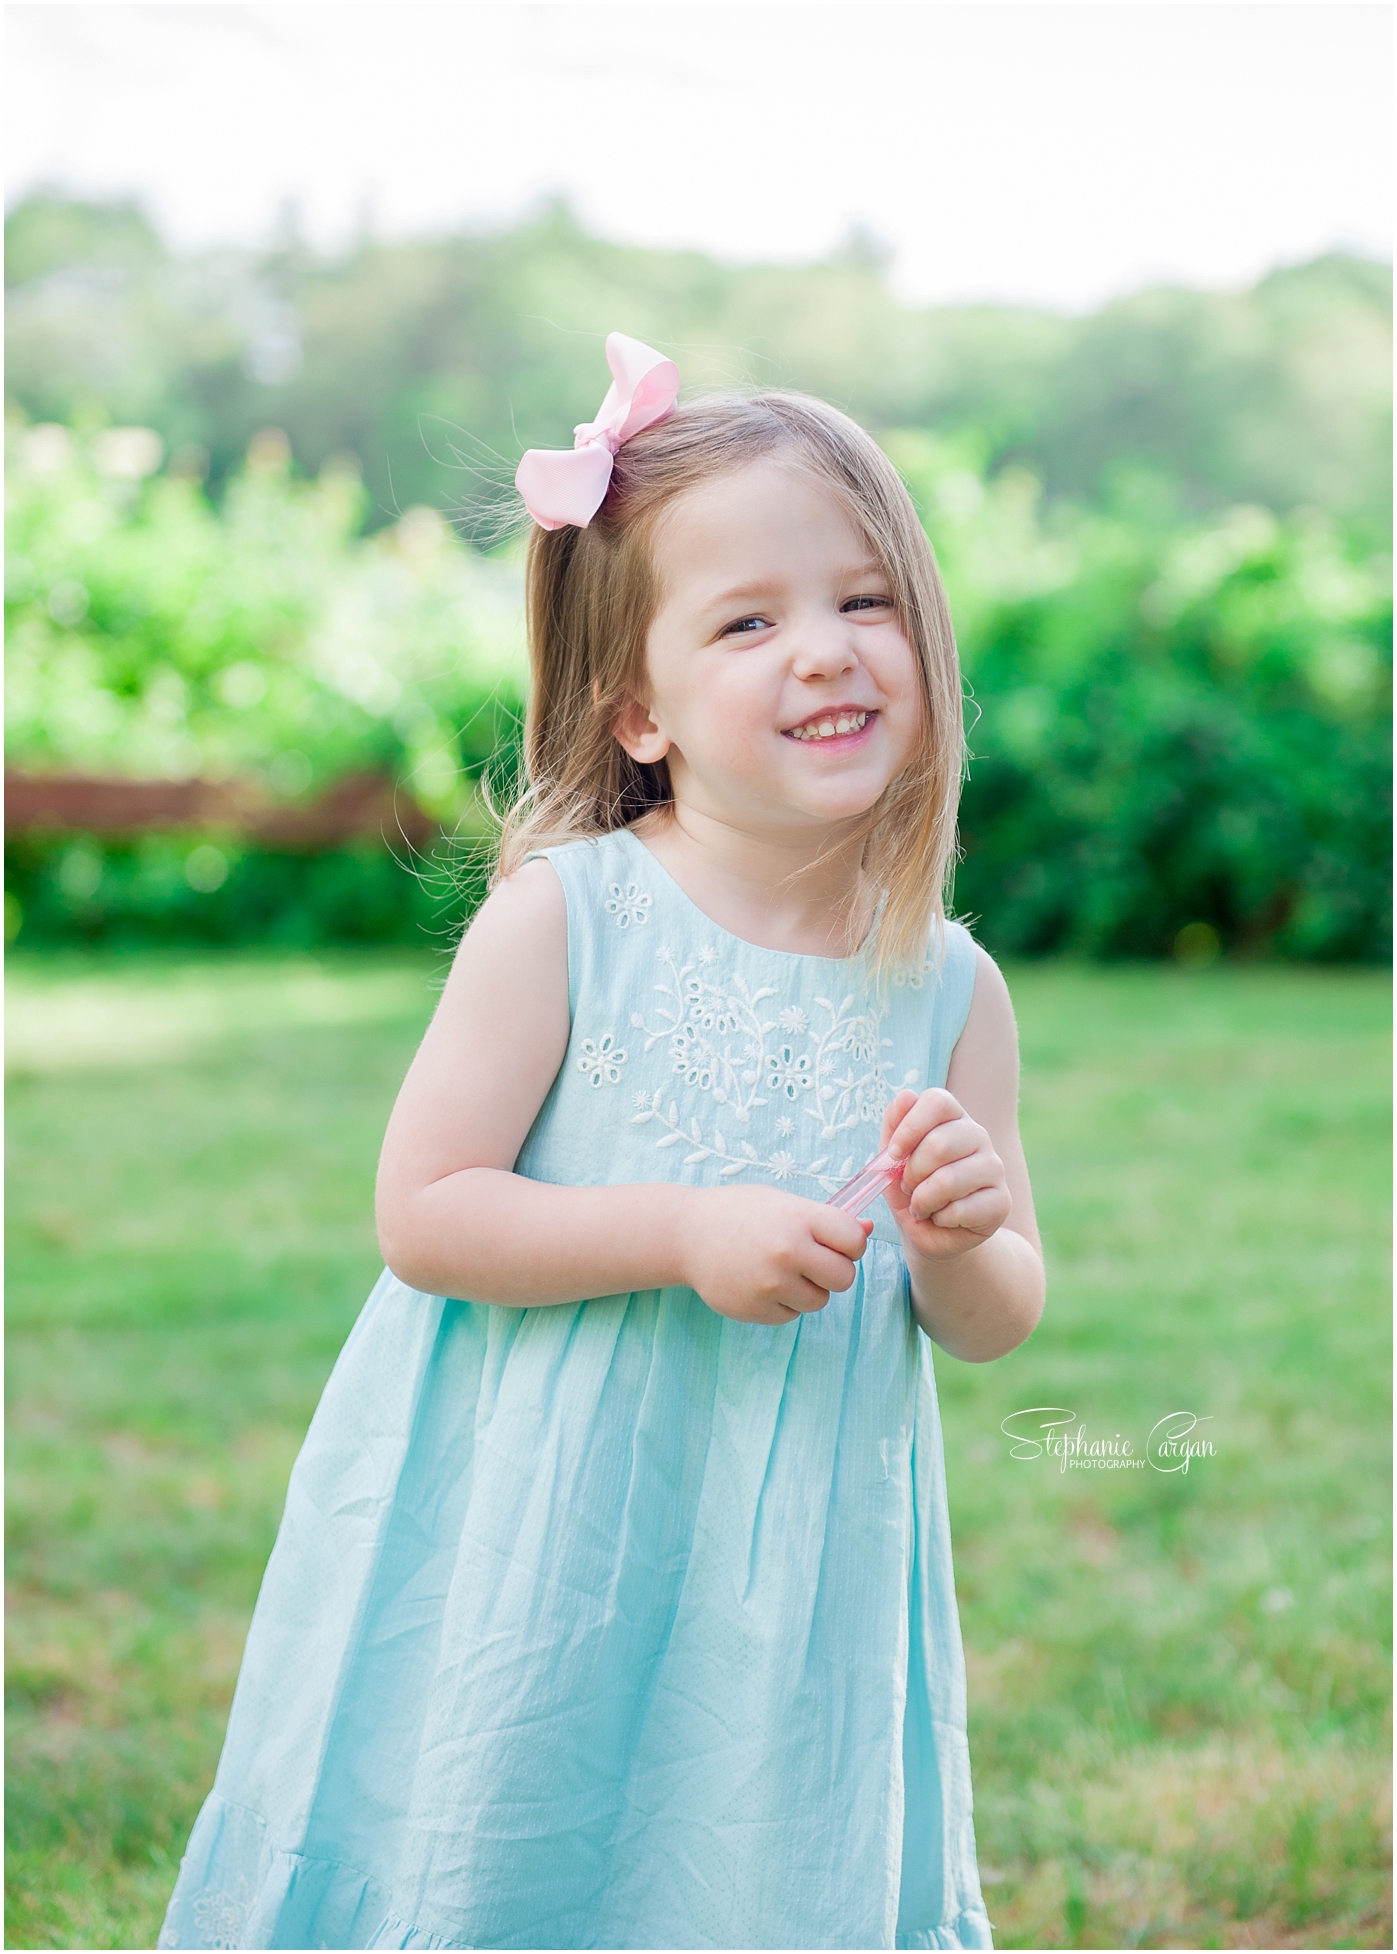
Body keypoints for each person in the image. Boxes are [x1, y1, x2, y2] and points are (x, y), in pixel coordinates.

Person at [160, 333, 1045, 1953]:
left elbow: (992, 1319)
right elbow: (427, 1210)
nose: (825, 651)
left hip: (787, 1581)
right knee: (513, 1835)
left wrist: (963, 1235)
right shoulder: (569, 916)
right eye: (748, 621)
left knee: (734, 1861)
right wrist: (681, 1231)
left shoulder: (944, 985)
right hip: (541, 1527)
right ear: (638, 708)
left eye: (864, 601)